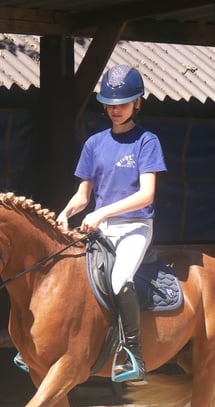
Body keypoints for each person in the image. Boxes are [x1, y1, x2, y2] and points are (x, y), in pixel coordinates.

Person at [57, 64, 167, 382]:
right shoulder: (94, 144)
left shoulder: (147, 142)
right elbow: (83, 195)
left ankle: (132, 352)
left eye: (121, 103)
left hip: (135, 228)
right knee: (67, 272)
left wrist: (102, 213)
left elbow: (147, 195)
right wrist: (65, 214)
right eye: (109, 104)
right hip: (101, 228)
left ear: (137, 103)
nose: (114, 109)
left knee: (120, 279)